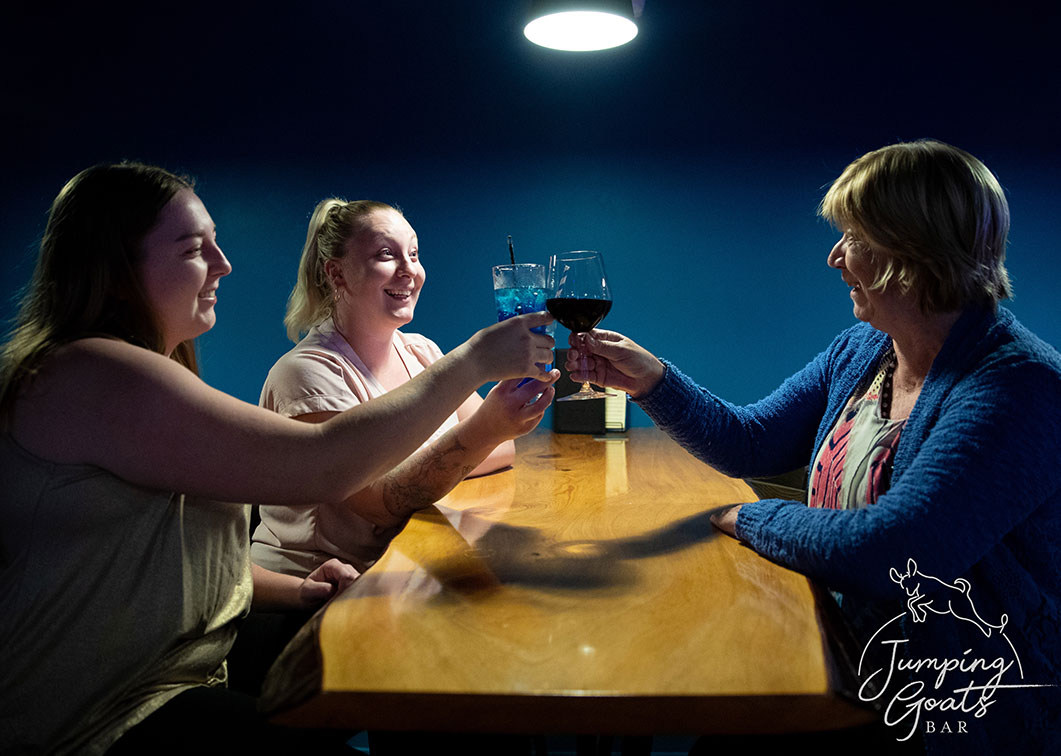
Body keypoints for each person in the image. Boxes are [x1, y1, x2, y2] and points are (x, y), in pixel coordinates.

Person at [0, 163, 555, 755]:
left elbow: (172, 558)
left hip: (175, 686)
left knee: (455, 691)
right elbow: (325, 467)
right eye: (194, 248)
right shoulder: (92, 373)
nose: (223, 264)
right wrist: (473, 361)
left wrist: (297, 590)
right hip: (99, 721)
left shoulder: (141, 374)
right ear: (113, 271)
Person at [566, 140, 1060, 754]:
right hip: (854, 663)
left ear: (910, 246)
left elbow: (894, 552)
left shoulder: (1021, 387)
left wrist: (752, 516)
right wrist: (651, 381)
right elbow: (750, 442)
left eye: (852, 235)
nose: (834, 257)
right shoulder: (861, 349)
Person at [250, 199, 555, 579]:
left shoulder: (422, 351)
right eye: (386, 255)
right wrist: (482, 424)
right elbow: (381, 502)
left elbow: (503, 448)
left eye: (413, 253)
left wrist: (476, 439)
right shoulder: (305, 374)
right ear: (337, 273)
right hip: (318, 593)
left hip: (408, 567)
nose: (409, 270)